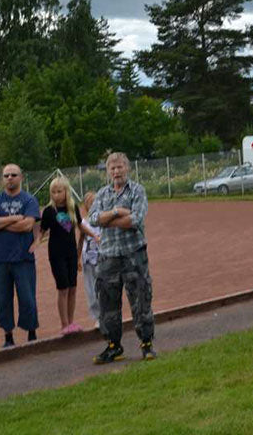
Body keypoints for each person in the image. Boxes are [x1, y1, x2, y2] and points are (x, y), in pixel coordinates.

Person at [88, 151, 156, 363]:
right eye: (112, 168)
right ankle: (113, 346)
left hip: (133, 254)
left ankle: (146, 344)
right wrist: (118, 212)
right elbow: (93, 218)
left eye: (120, 167)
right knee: (108, 304)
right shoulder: (102, 194)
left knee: (141, 299)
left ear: (127, 168)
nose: (116, 171)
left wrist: (107, 220)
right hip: (108, 256)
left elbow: (135, 219)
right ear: (108, 171)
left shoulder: (137, 190)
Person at [0, 164, 40, 348]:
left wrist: (0, 221)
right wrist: (14, 218)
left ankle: (31, 333)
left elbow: (27, 225)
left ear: (20, 177)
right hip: (0, 259)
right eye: (6, 175)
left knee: (28, 298)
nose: (9, 178)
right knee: (2, 300)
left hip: (23, 258)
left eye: (13, 175)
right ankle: (8, 337)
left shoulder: (29, 200)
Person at [40, 176, 83, 334]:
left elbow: (81, 227)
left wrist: (93, 236)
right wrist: (33, 244)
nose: (56, 195)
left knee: (73, 288)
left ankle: (71, 322)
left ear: (66, 191)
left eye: (59, 191)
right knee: (63, 288)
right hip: (56, 255)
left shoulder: (73, 208)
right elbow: (41, 233)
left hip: (71, 253)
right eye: (53, 192)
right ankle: (64, 324)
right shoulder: (49, 211)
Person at [79, 191, 101, 329]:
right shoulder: (83, 223)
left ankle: (108, 315)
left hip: (102, 259)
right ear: (85, 206)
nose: (93, 205)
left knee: (104, 287)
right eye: (90, 203)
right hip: (87, 260)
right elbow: (81, 240)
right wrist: (77, 258)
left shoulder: (103, 221)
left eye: (96, 202)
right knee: (91, 289)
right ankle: (98, 317)